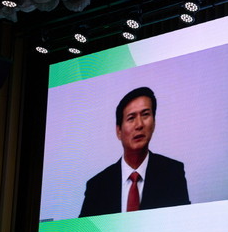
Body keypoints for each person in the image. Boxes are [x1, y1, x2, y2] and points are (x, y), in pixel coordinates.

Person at [79, 86, 190, 218]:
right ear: (118, 131)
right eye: (131, 118)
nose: (139, 125)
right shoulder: (97, 186)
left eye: (145, 115)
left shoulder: (172, 173)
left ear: (154, 122)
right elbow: (85, 231)